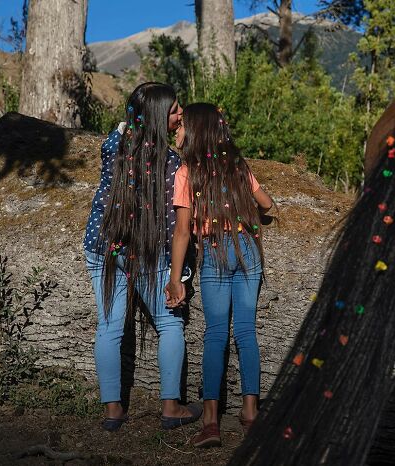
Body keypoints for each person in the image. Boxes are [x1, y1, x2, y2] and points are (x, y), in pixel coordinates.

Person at [83, 82, 200, 432]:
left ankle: (113, 411)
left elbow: (120, 132)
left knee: (108, 326)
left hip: (103, 243)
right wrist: (176, 274)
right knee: (170, 323)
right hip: (145, 250)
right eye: (176, 110)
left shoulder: (113, 145)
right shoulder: (172, 164)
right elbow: (175, 224)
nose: (181, 114)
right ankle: (170, 408)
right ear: (157, 116)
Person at [165, 103, 274, 448]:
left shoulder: (187, 173)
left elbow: (182, 232)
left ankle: (211, 422)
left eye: (183, 125)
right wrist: (258, 210)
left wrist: (174, 277)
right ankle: (251, 414)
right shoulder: (238, 166)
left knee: (215, 335)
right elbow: (268, 204)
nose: (178, 130)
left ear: (196, 132)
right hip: (247, 249)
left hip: (213, 251)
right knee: (246, 331)